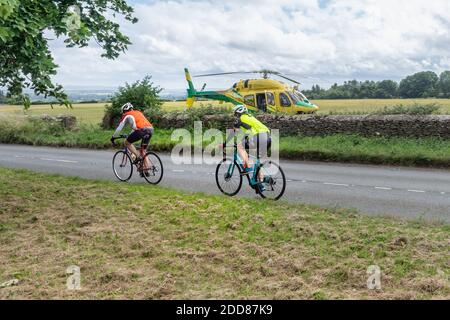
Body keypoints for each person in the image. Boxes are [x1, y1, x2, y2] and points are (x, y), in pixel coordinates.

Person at [226, 105, 271, 180]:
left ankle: (247, 167)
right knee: (257, 162)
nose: (235, 116)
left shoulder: (240, 118)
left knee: (240, 146)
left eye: (235, 114)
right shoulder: (251, 117)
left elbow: (234, 132)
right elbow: (249, 131)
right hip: (268, 138)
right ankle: (261, 183)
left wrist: (225, 143)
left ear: (238, 113)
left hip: (259, 137)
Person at [111, 102, 154, 176]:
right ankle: (146, 170)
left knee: (127, 143)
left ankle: (138, 156)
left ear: (124, 110)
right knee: (143, 150)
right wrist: (130, 134)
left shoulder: (126, 115)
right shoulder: (138, 112)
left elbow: (119, 128)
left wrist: (113, 137)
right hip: (150, 129)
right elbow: (136, 126)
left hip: (141, 131)